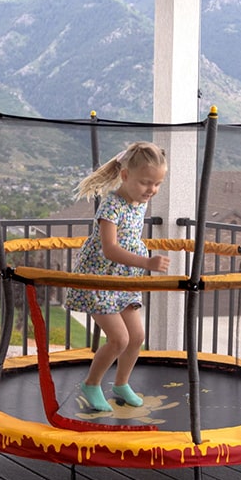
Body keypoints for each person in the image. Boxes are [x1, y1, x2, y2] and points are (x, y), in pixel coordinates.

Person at [64, 141, 169, 412]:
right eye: (146, 183)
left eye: (157, 184)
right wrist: (147, 262)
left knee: (136, 336)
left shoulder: (139, 203)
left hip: (122, 281)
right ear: (125, 176)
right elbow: (110, 249)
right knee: (119, 339)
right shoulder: (112, 206)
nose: (152, 190)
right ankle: (92, 383)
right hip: (99, 280)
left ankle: (122, 384)